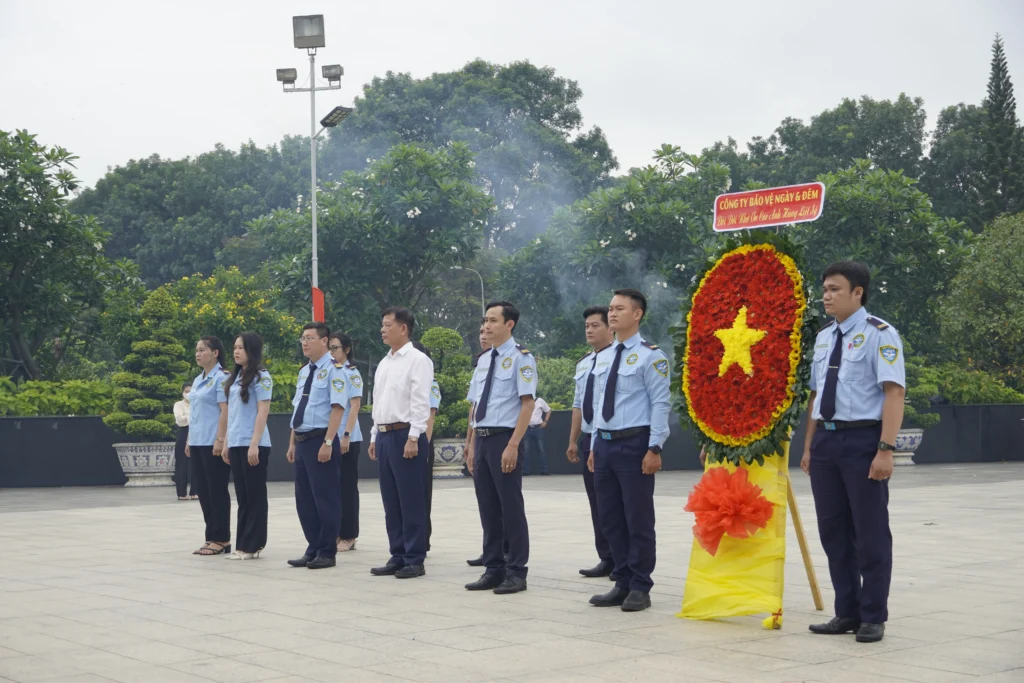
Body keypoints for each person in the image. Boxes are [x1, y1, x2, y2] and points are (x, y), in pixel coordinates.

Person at [802, 261, 905, 644]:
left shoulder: (881, 334)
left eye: (834, 289)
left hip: (863, 441)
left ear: (857, 292)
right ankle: (846, 611)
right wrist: (810, 445)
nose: (826, 296)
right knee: (834, 532)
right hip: (827, 443)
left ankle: (873, 615)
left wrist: (886, 449)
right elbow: (815, 395)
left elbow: (894, 393)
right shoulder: (825, 337)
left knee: (870, 531)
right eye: (824, 289)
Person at [588, 288, 670, 612]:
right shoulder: (603, 356)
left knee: (637, 518)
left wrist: (654, 447)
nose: (612, 313)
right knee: (610, 518)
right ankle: (620, 581)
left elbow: (661, 404)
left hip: (635, 443)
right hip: (605, 444)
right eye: (610, 308)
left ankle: (640, 585)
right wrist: (594, 443)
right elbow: (597, 404)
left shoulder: (652, 356)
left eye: (620, 308)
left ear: (637, 314)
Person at [464, 301, 536, 595]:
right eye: (485, 320)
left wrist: (513, 445)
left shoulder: (522, 358)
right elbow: (474, 407)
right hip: (481, 439)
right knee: (488, 508)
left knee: (510, 508)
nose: (486, 326)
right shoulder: (482, 360)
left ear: (510, 324)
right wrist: (470, 445)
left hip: (504, 439)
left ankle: (517, 571)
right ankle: (493, 568)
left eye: (493, 320)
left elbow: (527, 404)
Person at [367, 307, 433, 579]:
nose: (382, 330)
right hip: (384, 435)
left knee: (411, 499)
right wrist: (374, 434)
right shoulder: (384, 362)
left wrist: (415, 436)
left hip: (406, 435)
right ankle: (398, 553)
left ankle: (415, 557)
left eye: (387, 325)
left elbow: (420, 402)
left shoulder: (417, 360)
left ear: (403, 328)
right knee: (391, 499)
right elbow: (379, 402)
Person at [286, 323, 348, 570]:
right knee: (305, 499)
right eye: (302, 338)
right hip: (302, 441)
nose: (304, 342)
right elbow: (297, 409)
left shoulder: (335, 371)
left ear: (324, 341)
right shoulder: (304, 372)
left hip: (321, 440)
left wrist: (328, 442)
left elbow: (337, 408)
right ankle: (312, 547)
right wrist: (291, 442)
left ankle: (326, 551)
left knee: (325, 498)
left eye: (310, 338)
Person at [566, 305, 615, 578]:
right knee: (596, 502)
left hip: (609, 438)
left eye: (595, 325)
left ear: (610, 328)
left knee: (612, 502)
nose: (589, 330)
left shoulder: (617, 359)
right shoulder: (584, 363)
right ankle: (606, 556)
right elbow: (577, 405)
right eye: (587, 326)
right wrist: (573, 440)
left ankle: (621, 557)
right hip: (588, 439)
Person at [219, 332, 272, 560]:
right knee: (242, 496)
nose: (236, 351)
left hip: (254, 443)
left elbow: (263, 411)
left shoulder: (262, 376)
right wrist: (226, 443)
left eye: (240, 347)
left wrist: (254, 444)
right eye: (234, 347)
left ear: (252, 349)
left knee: (255, 495)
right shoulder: (236, 377)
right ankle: (243, 544)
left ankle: (254, 545)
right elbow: (232, 414)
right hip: (237, 442)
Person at [187, 336, 233, 556]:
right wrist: (189, 439)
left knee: (217, 490)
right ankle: (211, 536)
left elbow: (225, 410)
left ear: (215, 353)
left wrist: (220, 439)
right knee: (203, 491)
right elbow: (194, 413)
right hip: (197, 441)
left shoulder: (222, 378)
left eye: (202, 350)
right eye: (196, 350)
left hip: (213, 442)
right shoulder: (198, 380)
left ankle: (222, 537)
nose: (198, 354)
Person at [329, 332, 362, 553]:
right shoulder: (330, 372)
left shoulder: (352, 373)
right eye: (329, 348)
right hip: (330, 437)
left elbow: (355, 406)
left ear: (347, 350)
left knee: (347, 487)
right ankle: (335, 532)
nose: (331, 353)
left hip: (347, 438)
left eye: (335, 348)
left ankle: (349, 534)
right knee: (332, 488)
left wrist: (346, 435)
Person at [411, 340, 440, 553]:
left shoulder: (430, 383)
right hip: (406, 441)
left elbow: (430, 416)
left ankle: (423, 539)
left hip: (421, 442)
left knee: (421, 493)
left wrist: (424, 445)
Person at [173, 382, 197, 501]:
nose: (189, 394)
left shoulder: (198, 404)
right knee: (181, 465)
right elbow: (180, 420)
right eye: (187, 391)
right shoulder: (178, 405)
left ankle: (195, 492)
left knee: (196, 464)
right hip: (183, 433)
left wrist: (188, 417)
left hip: (197, 434)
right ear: (183, 392)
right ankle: (181, 493)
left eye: (191, 391)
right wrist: (192, 418)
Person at [521, 396, 551, 476]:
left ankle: (544, 470)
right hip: (526, 428)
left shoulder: (540, 400)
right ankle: (526, 471)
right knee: (526, 450)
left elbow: (548, 410)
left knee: (541, 449)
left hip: (538, 427)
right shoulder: (523, 401)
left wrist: (545, 421)